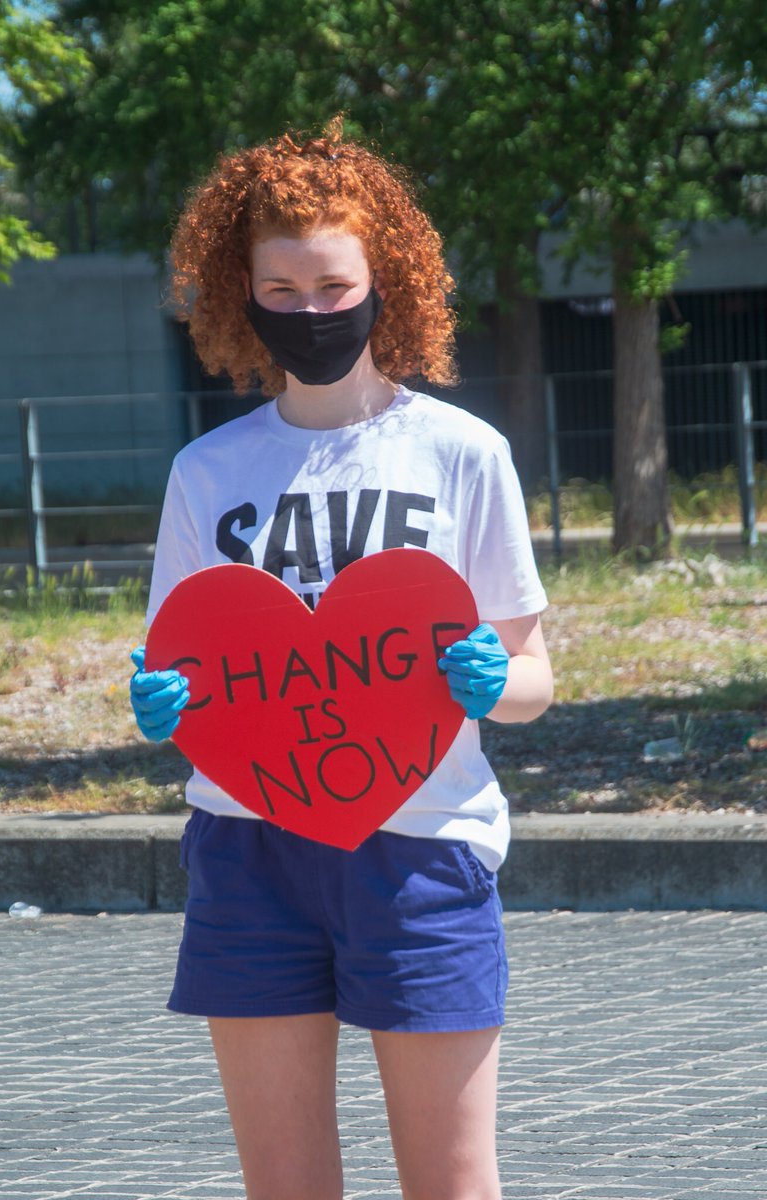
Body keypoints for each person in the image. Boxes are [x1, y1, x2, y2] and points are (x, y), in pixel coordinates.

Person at [129, 119, 553, 1200]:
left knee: (451, 1184)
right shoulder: (205, 471)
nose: (310, 312)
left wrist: (494, 683)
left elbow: (533, 678)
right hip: (244, 851)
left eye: (333, 284)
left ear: (386, 282)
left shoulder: (461, 453)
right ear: (239, 294)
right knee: (284, 1187)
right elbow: (184, 662)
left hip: (420, 850)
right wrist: (163, 703)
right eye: (281, 289)